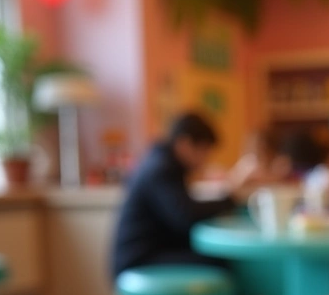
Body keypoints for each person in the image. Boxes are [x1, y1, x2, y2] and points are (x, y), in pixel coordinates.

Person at [111, 113, 234, 278]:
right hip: (137, 260)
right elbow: (185, 215)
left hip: (146, 253)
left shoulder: (160, 162)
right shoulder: (162, 169)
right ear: (185, 143)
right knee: (219, 262)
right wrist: (228, 201)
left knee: (214, 257)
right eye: (203, 151)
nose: (204, 160)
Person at [229, 126, 292, 196]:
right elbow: (234, 184)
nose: (260, 151)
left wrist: (255, 178)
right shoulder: (248, 162)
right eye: (257, 147)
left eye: (264, 148)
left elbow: (283, 179)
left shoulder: (280, 162)